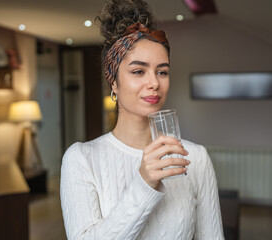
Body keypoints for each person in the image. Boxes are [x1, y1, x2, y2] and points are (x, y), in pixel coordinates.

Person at [60, 0, 224, 239]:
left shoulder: (196, 158)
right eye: (138, 71)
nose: (154, 83)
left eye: (162, 71)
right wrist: (144, 182)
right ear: (113, 82)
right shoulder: (81, 159)